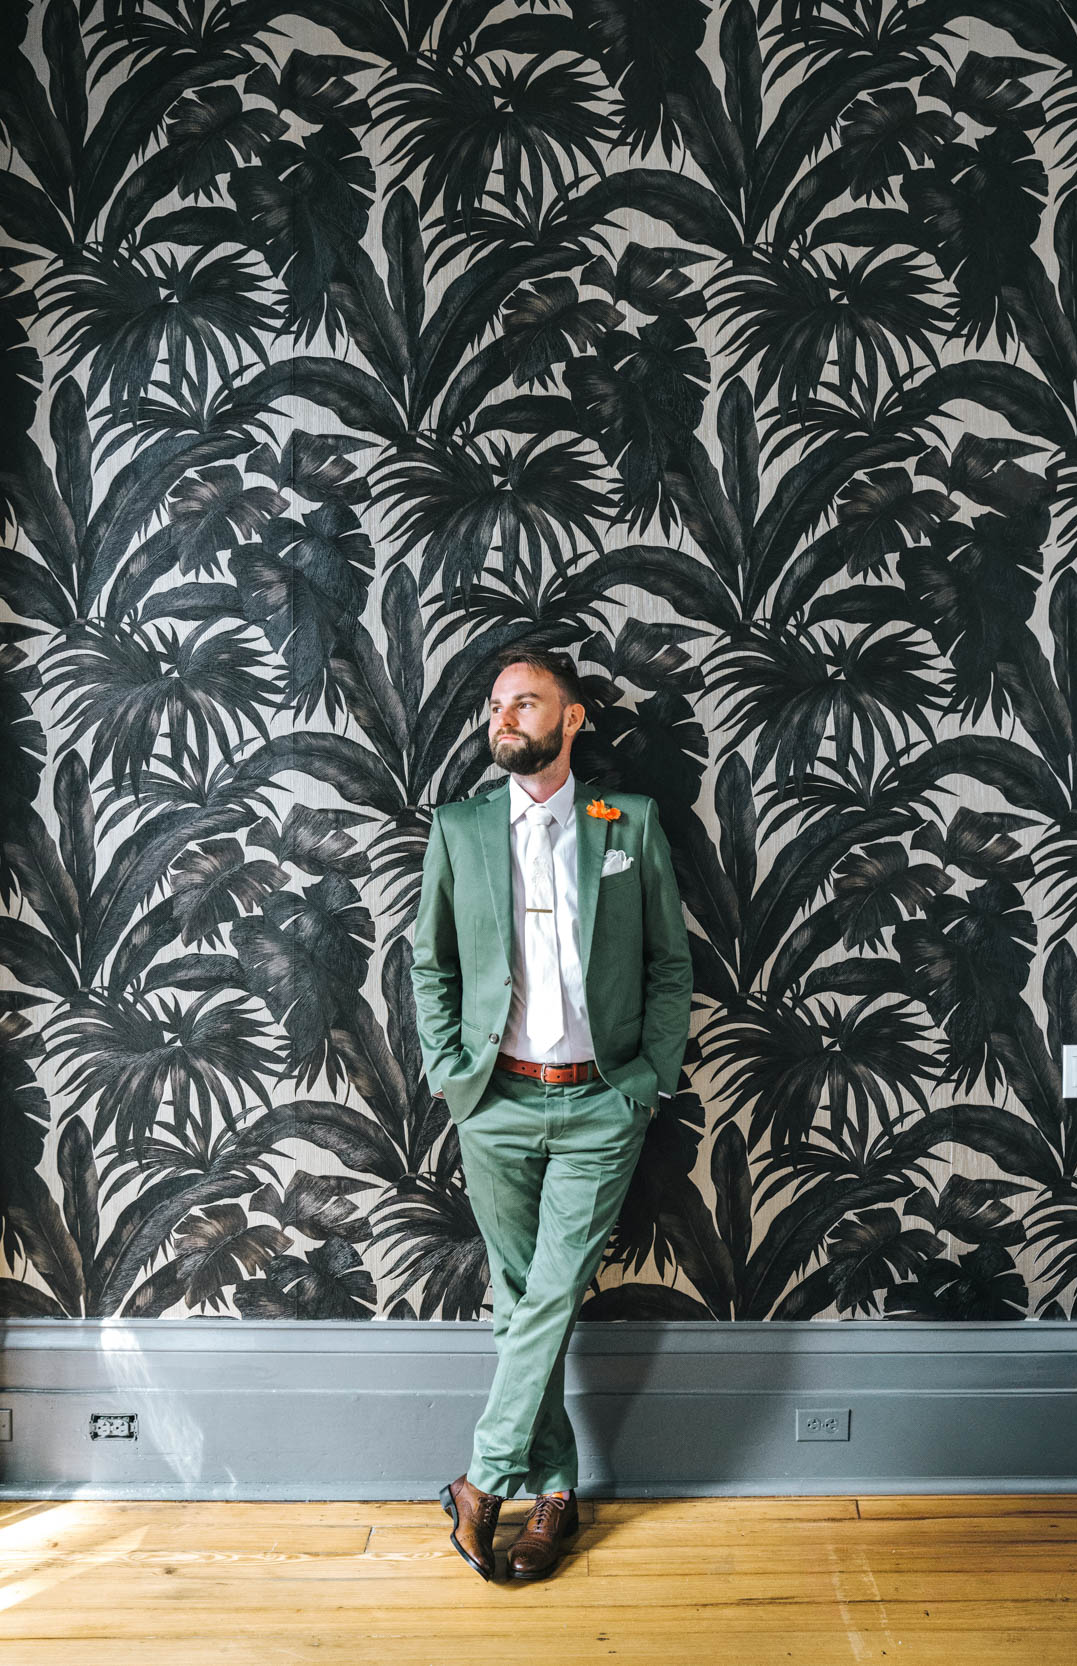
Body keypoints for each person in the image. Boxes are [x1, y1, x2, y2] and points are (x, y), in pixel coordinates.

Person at [410, 648, 693, 1581]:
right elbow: (430, 963)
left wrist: (646, 1079)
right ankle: (556, 1496)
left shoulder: (629, 822)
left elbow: (664, 962)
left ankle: (485, 1480)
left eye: (525, 703)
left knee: (551, 1290)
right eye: (496, 706)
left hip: (599, 1103)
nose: (504, 719)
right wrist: (455, 1073)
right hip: (493, 1101)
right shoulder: (456, 828)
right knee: (526, 1302)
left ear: (571, 720)